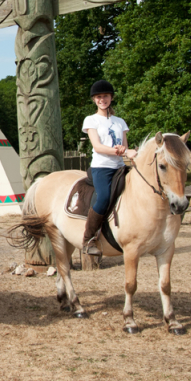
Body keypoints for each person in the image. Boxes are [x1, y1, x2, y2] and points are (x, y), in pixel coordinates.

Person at [81, 79, 138, 256]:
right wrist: (119, 151)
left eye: (105, 96)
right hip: (102, 167)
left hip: (120, 167)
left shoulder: (120, 122)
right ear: (94, 100)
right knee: (104, 197)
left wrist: (130, 153)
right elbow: (97, 147)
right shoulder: (91, 120)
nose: (102, 99)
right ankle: (88, 239)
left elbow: (125, 147)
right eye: (98, 97)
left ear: (111, 98)